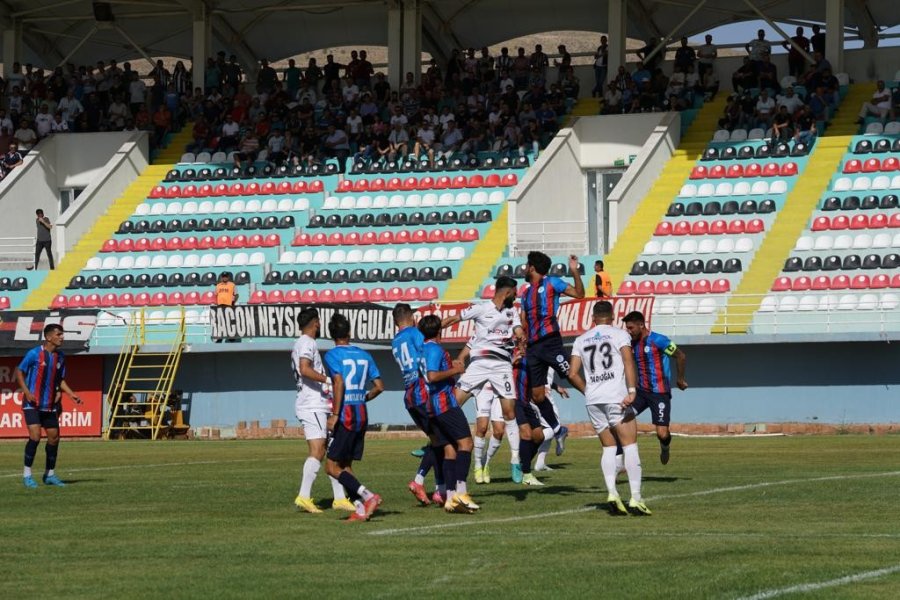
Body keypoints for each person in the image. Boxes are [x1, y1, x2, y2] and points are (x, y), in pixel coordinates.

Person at [568, 301, 650, 516]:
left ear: (593, 318)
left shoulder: (580, 339)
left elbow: (572, 373)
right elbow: (628, 361)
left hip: (594, 400)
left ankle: (612, 492)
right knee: (630, 445)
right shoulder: (619, 335)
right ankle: (635, 497)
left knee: (608, 448)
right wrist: (632, 390)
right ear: (612, 317)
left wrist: (589, 391)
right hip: (616, 396)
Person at [440, 276, 525, 484]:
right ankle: (434, 440)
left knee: (509, 412)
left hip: (501, 366)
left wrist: (521, 336)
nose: (516, 296)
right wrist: (426, 332)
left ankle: (515, 460)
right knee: (451, 404)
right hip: (478, 365)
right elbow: (453, 319)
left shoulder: (511, 311)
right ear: (507, 292)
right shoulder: (480, 308)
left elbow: (518, 330)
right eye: (515, 292)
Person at [291, 308, 355, 514]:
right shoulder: (307, 343)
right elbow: (305, 369)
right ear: (315, 323)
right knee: (318, 451)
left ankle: (339, 498)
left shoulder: (302, 343)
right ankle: (303, 496)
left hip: (314, 403)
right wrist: (328, 380)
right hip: (312, 404)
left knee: (331, 453)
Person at [323, 313, 385, 522]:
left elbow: (338, 383)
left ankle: (368, 496)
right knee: (346, 466)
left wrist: (335, 414)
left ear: (332, 335)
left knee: (331, 467)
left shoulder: (332, 355)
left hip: (346, 415)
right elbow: (379, 387)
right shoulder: (364, 354)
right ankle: (360, 508)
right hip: (361, 414)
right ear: (349, 332)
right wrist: (363, 398)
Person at [418, 315, 480, 513]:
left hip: (430, 406)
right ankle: (462, 492)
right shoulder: (435, 349)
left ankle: (450, 497)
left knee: (450, 450)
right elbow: (433, 376)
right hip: (445, 404)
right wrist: (454, 370)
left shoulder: (421, 349)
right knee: (466, 444)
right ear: (439, 331)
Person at [519, 251, 584, 437]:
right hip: (532, 347)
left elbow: (579, 294)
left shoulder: (552, 282)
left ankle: (596, 401)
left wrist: (574, 270)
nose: (525, 267)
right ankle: (557, 429)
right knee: (537, 395)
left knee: (571, 375)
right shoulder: (525, 294)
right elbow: (523, 322)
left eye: (526, 264)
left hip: (550, 342)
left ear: (532, 267)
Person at [391, 303, 446, 506]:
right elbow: (429, 346)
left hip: (410, 396)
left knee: (437, 442)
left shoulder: (395, 341)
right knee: (441, 440)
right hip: (422, 392)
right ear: (412, 318)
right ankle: (420, 481)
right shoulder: (415, 334)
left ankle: (439, 490)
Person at [15, 323, 83, 488]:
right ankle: (27, 475)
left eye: (62, 334)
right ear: (48, 337)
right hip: (32, 403)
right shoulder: (34, 354)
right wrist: (26, 391)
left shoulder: (60, 356)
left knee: (54, 438)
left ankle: (49, 474)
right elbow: (19, 371)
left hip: (50, 404)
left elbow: (59, 379)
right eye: (59, 334)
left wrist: (71, 393)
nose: (62, 337)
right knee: (35, 436)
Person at [623, 311, 687, 466]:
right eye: (627, 329)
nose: (629, 331)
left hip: (660, 394)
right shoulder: (631, 344)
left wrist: (679, 379)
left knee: (662, 433)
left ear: (641, 325)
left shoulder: (658, 340)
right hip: (641, 393)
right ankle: (626, 460)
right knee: (623, 420)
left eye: (631, 328)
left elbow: (680, 355)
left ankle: (665, 446)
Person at [215, 272, 238, 343]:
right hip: (220, 305)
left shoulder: (232, 285)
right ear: (222, 277)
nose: (224, 278)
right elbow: (216, 295)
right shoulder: (218, 285)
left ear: (228, 277)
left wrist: (233, 302)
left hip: (229, 305)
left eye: (226, 276)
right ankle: (220, 337)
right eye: (223, 276)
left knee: (230, 321)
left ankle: (231, 336)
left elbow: (236, 295)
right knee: (220, 322)